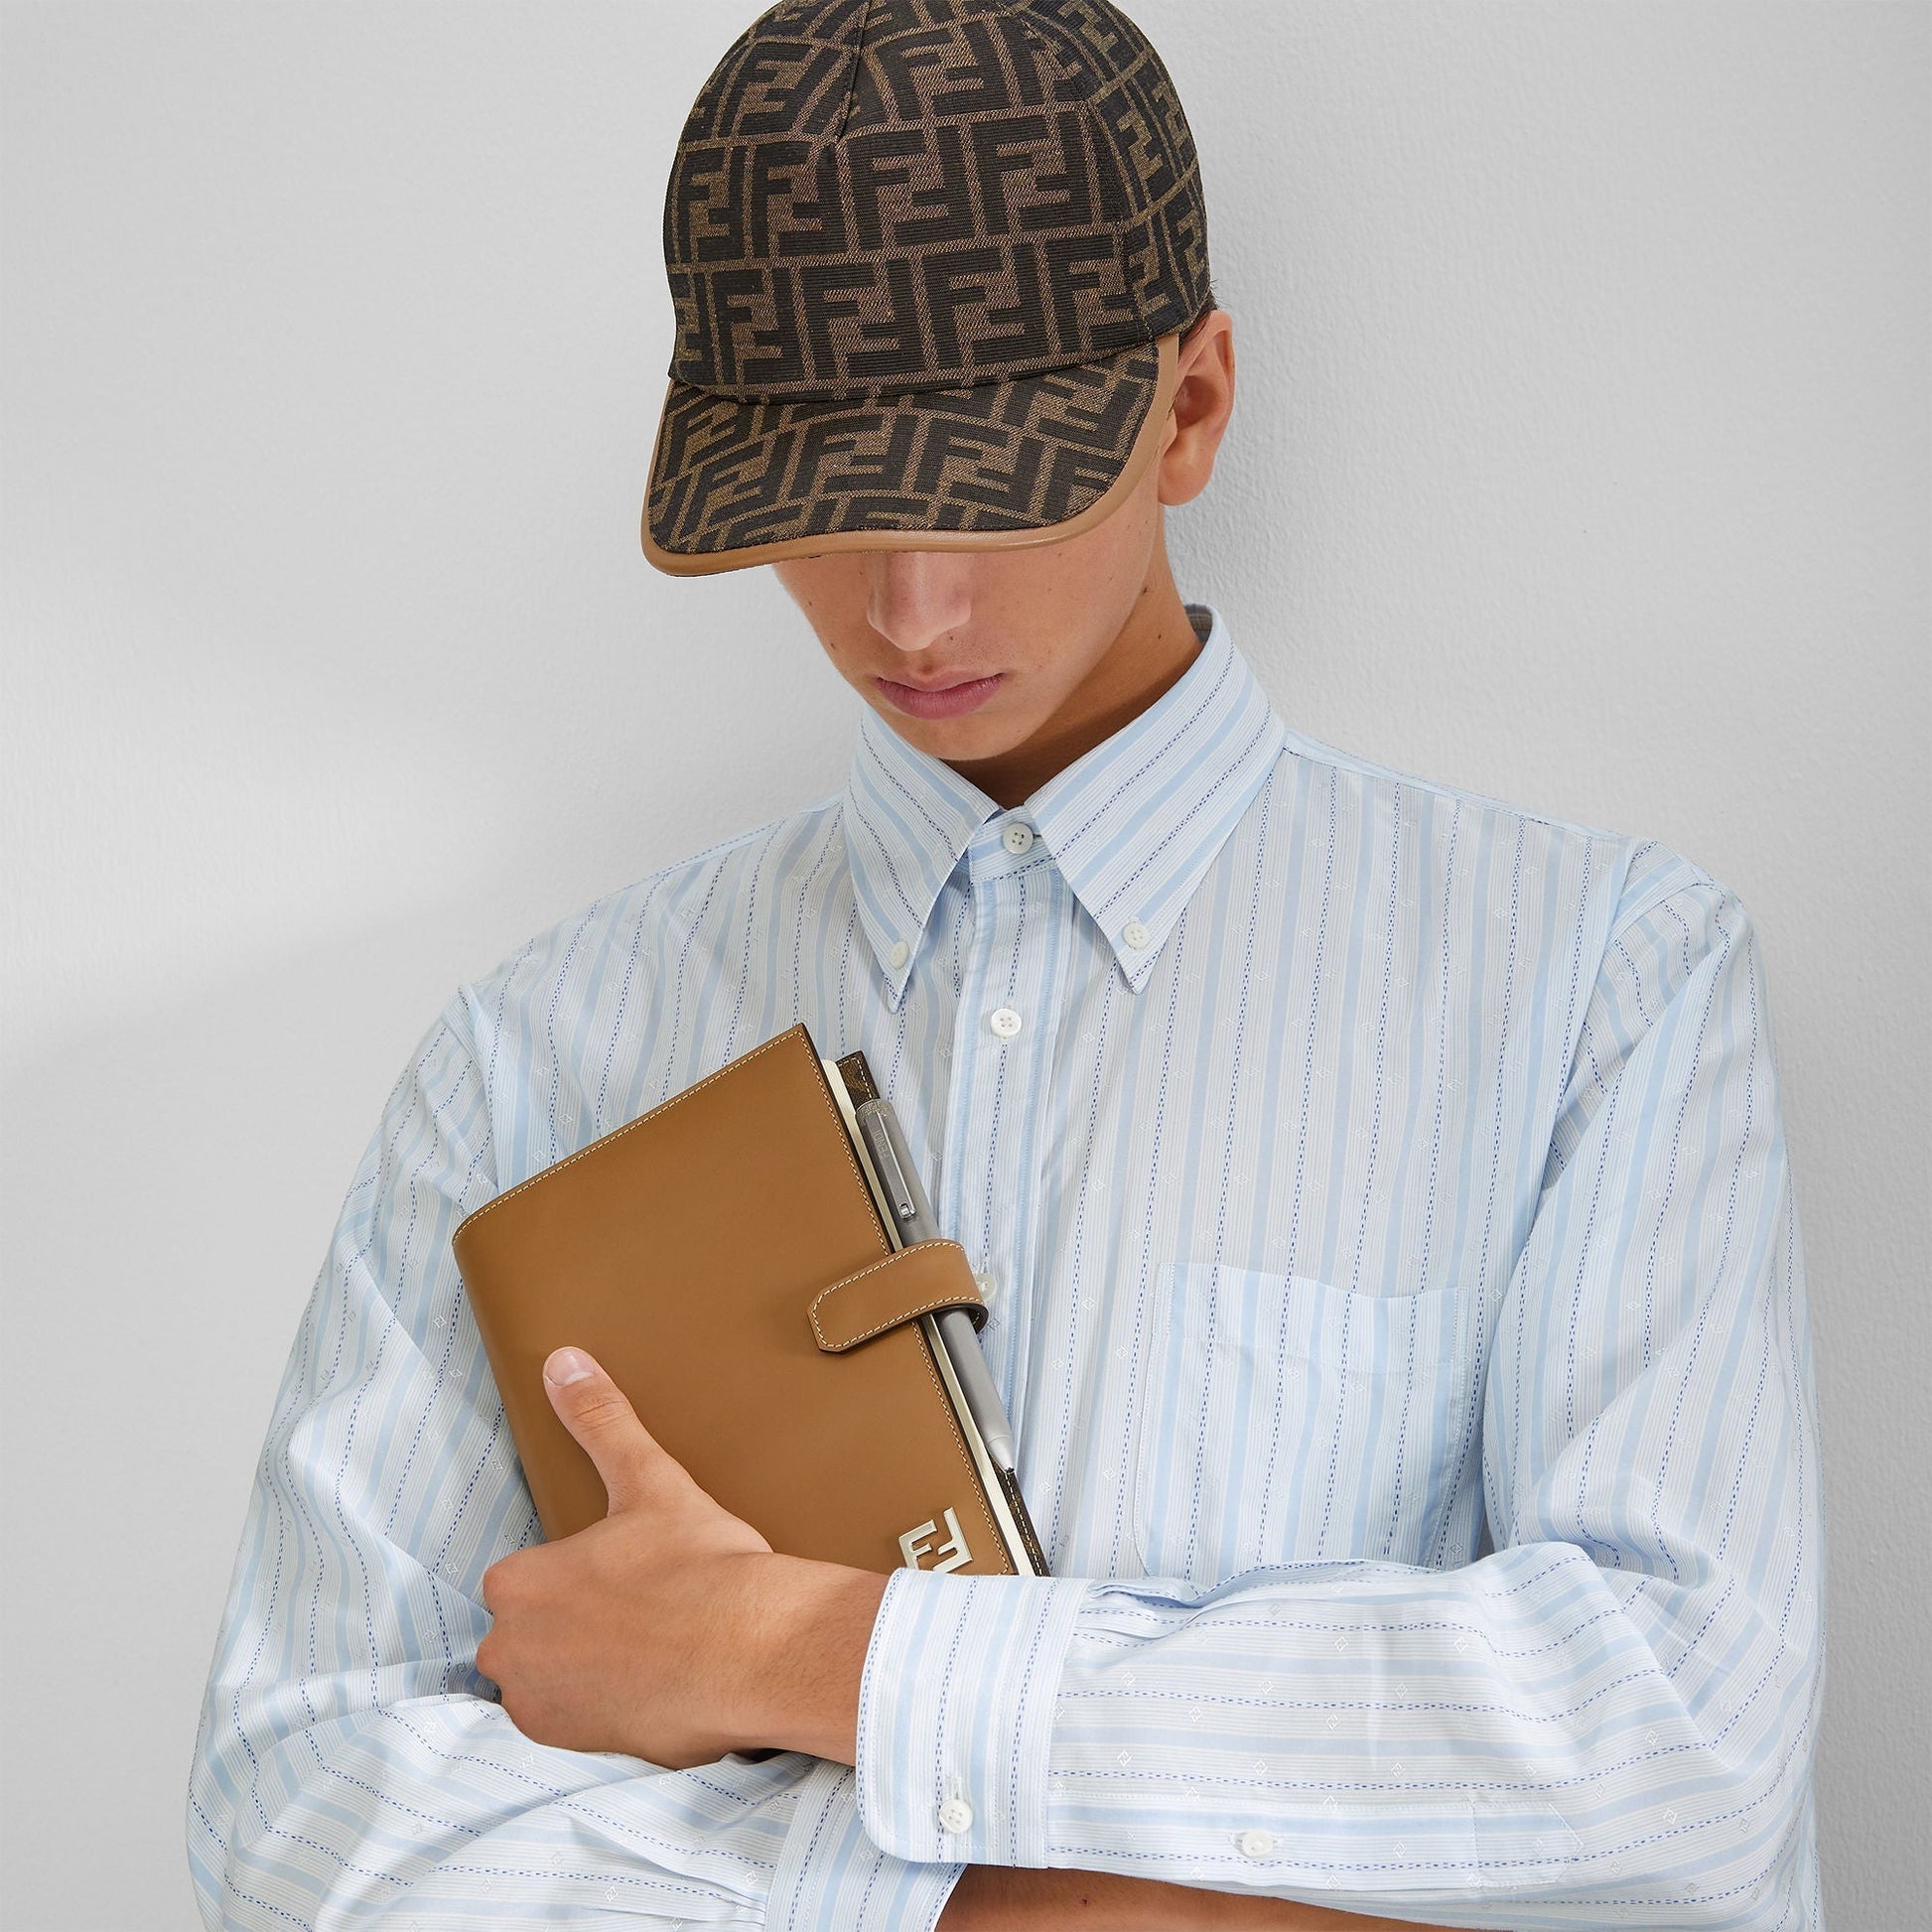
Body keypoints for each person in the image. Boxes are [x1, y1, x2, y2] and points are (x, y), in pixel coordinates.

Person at [187, 3, 1825, 1928]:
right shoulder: (530, 1057)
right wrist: (1104, 1898)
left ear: (1189, 407)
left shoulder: (1592, 981)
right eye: (821, 504)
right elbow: (295, 1807)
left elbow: (1672, 1745)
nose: (910, 609)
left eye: (987, 492)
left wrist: (785, 1649)